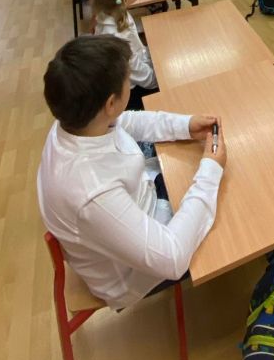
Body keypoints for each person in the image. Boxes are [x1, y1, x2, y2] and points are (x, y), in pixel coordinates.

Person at [37, 35, 226, 309]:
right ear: (110, 104)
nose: (130, 83)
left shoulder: (76, 122)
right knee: (229, 209)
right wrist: (211, 168)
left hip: (135, 208)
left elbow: (127, 121)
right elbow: (172, 258)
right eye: (128, 80)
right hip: (131, 274)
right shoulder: (91, 193)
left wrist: (185, 125)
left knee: (197, 176)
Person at [91, 0, 158, 109]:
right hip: (132, 92)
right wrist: (157, 81)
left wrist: (152, 57)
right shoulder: (116, 37)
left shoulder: (115, 12)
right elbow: (135, 71)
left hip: (139, 74)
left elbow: (137, 51)